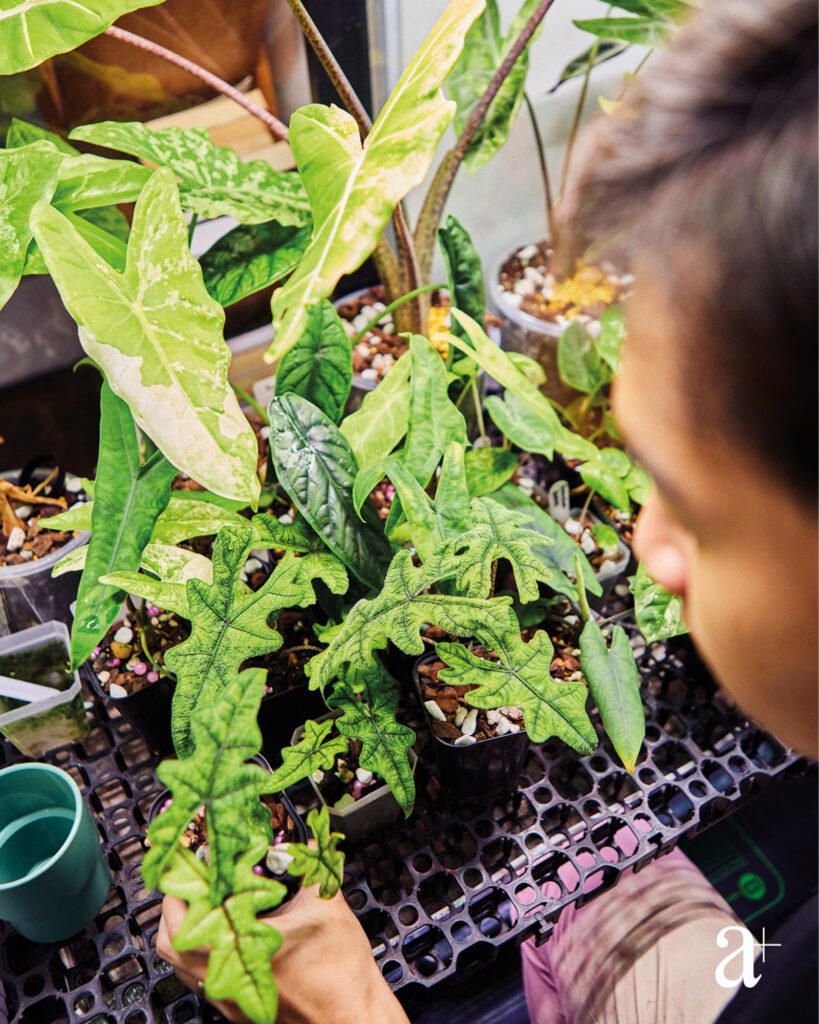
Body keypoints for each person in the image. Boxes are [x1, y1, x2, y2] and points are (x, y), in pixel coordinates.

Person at [156, 0, 817, 1019]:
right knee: (603, 897)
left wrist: (350, 1003)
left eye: (690, 507)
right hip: (749, 954)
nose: (641, 543)